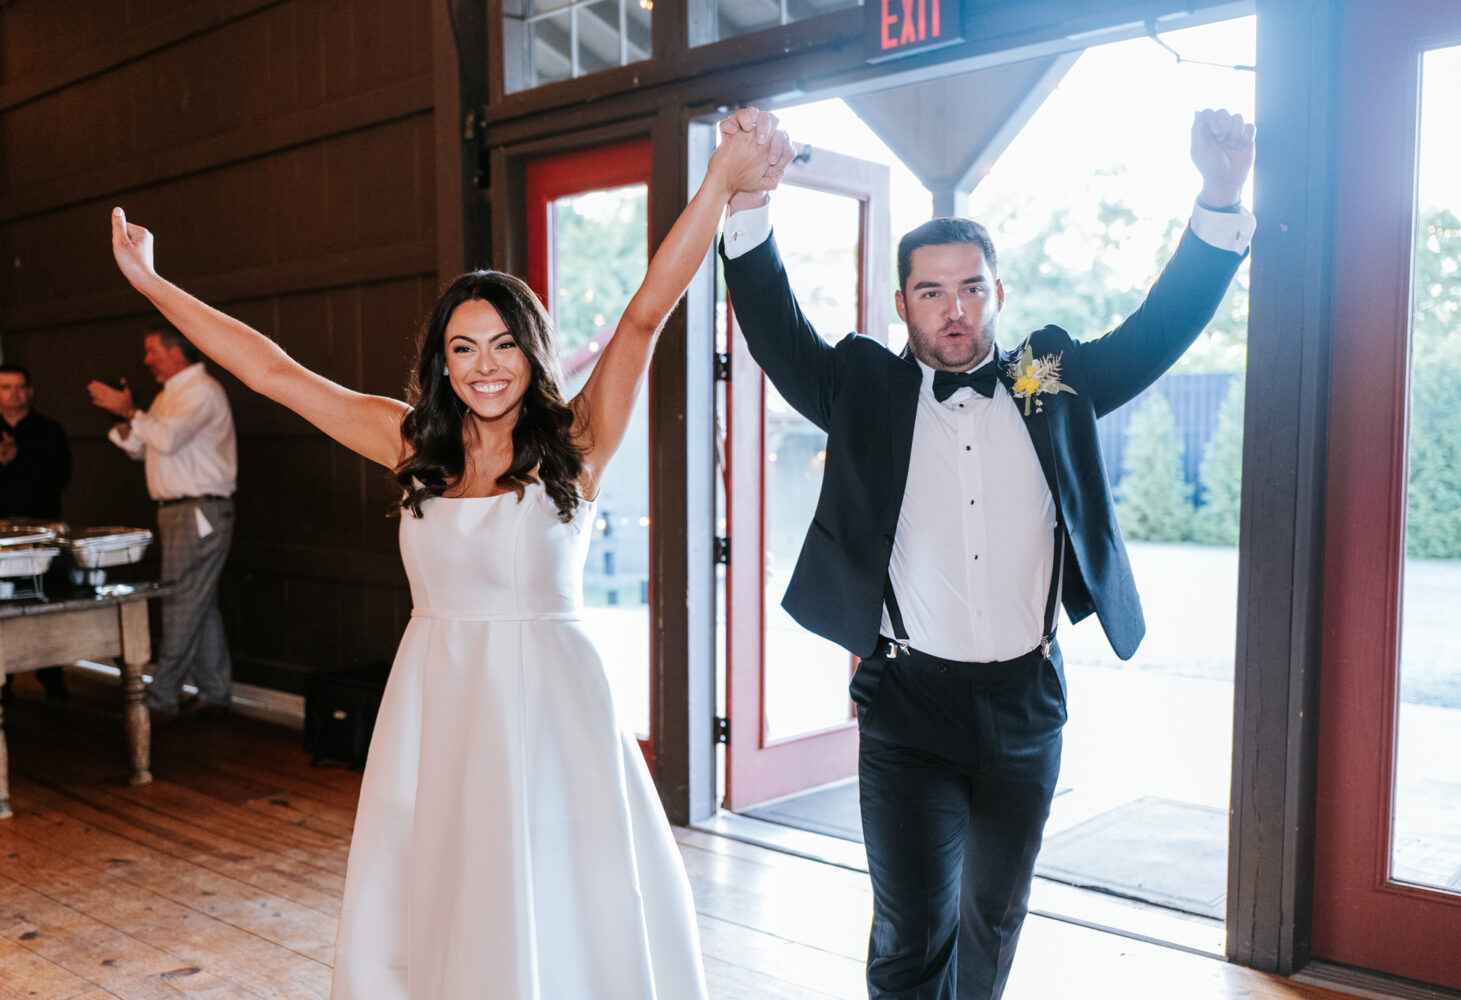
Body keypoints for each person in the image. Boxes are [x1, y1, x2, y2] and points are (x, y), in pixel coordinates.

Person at [106, 118, 792, 998]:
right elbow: (275, 373)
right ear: (441, 363)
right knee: (442, 895)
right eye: (463, 348)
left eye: (504, 343)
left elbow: (646, 312)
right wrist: (152, 283)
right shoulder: (408, 445)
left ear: (531, 347)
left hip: (551, 709)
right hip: (435, 703)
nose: (486, 366)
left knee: (556, 893)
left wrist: (720, 184)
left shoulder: (577, 440)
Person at [719, 107, 1255, 999]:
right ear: (902, 304)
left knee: (995, 920)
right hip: (908, 704)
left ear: (998, 293)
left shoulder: (1049, 380)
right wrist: (746, 202)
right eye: (931, 291)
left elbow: (1159, 333)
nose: (954, 308)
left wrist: (1222, 195)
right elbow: (776, 330)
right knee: (912, 929)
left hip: (1024, 704)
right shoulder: (866, 390)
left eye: (971, 287)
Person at [87, 327, 237, 721]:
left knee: (180, 602)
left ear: (176, 352)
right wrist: (125, 418)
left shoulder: (201, 391)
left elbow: (166, 439)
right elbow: (141, 446)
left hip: (198, 512)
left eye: (152, 350)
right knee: (197, 602)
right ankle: (215, 691)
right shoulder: (168, 396)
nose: (146, 359)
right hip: (180, 511)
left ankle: (161, 696)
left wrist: (129, 413)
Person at [0, 363, 73, 700]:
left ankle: (53, 677)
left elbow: (62, 476)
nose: (13, 394)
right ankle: (5, 680)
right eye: (5, 387)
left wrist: (21, 456)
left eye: (19, 387)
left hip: (40, 535)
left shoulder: (49, 430)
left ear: (30, 391)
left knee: (47, 602)